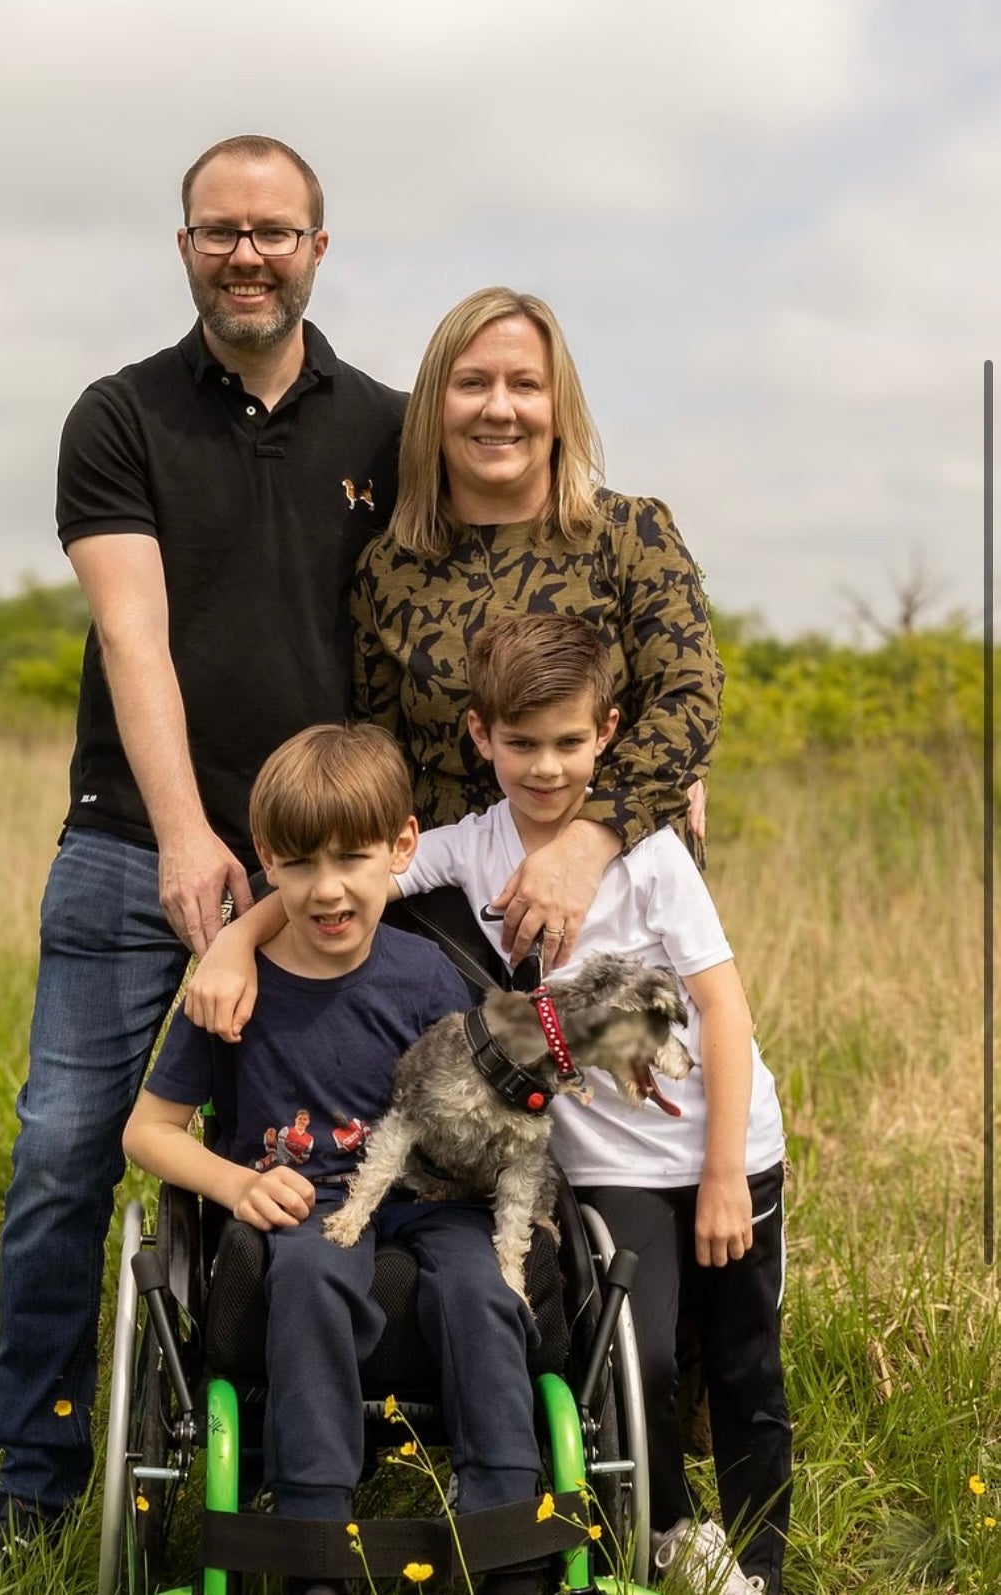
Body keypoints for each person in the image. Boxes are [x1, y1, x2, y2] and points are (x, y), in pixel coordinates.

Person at [0, 135, 406, 1595]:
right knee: (68, 1155)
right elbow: (133, 631)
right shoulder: (117, 413)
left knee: (345, 1167)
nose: (244, 254)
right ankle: (34, 1478)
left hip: (328, 874)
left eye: (273, 230)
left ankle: (330, 1448)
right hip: (139, 852)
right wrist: (193, 835)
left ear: (320, 245)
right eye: (217, 231)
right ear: (183, 244)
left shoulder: (388, 427)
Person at [390, 614, 790, 1595]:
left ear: (605, 730)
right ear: (480, 735)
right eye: (519, 742)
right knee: (635, 1350)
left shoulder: (646, 854)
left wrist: (723, 1172)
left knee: (740, 1359)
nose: (543, 764)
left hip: (725, 1145)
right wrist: (241, 936)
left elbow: (722, 1006)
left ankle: (763, 1563)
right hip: (608, 1165)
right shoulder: (470, 846)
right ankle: (670, 1531)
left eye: (567, 741)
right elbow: (358, 876)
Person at [122, 723, 545, 1594]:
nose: (328, 889)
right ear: (267, 859)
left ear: (400, 848)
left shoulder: (427, 974)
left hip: (431, 1200)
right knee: (314, 1270)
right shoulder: (232, 989)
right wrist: (238, 1183)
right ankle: (316, 1531)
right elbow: (147, 1133)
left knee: (479, 1285)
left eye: (353, 858)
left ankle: (507, 1528)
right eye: (302, 864)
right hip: (302, 1207)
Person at [351, 285, 723, 975]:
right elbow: (377, 752)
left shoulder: (631, 534)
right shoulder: (389, 567)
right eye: (472, 383)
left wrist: (585, 844)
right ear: (435, 405)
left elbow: (689, 704)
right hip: (448, 926)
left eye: (526, 384)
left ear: (559, 407)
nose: (499, 406)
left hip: (618, 900)